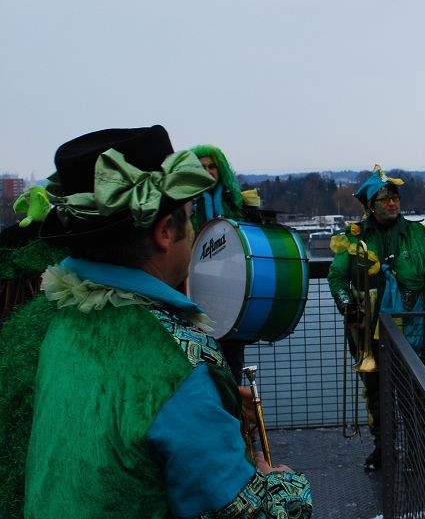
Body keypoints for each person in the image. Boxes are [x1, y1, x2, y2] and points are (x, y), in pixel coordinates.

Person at [1, 126, 312, 518]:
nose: (195, 230)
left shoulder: (57, 321)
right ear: (166, 232)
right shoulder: (178, 363)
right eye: (189, 217)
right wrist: (280, 483)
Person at [327, 164, 425, 472]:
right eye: (383, 199)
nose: (392, 203)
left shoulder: (417, 234)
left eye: (394, 197)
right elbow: (337, 278)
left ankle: (418, 453)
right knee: (376, 393)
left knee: (414, 396)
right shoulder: (353, 237)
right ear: (370, 205)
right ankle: (384, 449)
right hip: (367, 331)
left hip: (414, 329)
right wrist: (346, 304)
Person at [190, 144, 249, 382]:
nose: (208, 171)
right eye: (201, 166)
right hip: (196, 292)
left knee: (233, 366)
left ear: (220, 169)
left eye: (212, 166)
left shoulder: (235, 202)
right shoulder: (186, 203)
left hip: (231, 295)